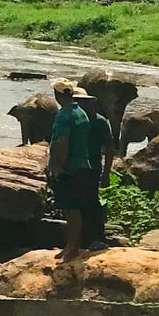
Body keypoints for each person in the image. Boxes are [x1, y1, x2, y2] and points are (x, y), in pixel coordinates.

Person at [48, 79, 98, 259]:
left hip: (69, 168)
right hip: (82, 165)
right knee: (74, 209)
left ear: (58, 95)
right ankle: (71, 246)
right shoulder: (80, 112)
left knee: (71, 210)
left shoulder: (64, 114)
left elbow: (62, 142)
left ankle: (72, 248)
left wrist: (56, 165)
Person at [74, 89, 114, 248]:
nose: (79, 105)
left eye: (82, 102)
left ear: (90, 102)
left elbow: (110, 149)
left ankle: (98, 238)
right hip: (74, 168)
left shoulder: (99, 122)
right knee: (76, 204)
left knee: (92, 203)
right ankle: (81, 240)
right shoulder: (74, 120)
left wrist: (106, 174)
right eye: (76, 102)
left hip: (92, 168)